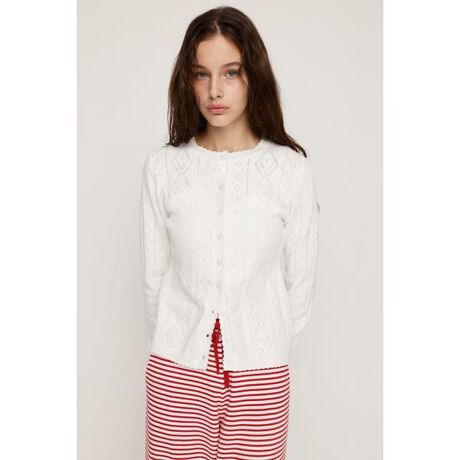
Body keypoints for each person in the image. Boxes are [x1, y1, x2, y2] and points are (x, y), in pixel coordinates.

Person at [140, 6, 320, 459]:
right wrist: (176, 340)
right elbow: (154, 279)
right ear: (188, 80)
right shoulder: (164, 168)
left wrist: (269, 346)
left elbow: (300, 281)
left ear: (253, 76)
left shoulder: (289, 170)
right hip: (176, 369)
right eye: (201, 74)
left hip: (262, 375)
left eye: (231, 73)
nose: (214, 91)